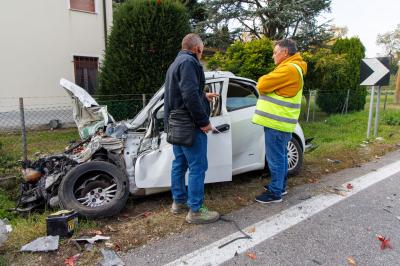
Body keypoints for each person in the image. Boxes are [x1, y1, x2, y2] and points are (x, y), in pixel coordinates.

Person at [164, 33, 220, 224]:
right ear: (197, 48)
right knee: (198, 166)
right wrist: (204, 122)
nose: (202, 54)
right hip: (190, 126)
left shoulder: (175, 64)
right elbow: (188, 95)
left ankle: (178, 202)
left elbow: (182, 93)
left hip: (177, 125)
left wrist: (204, 95)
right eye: (202, 51)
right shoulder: (190, 63)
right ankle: (195, 210)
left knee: (179, 164)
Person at [252, 39, 307, 203]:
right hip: (282, 122)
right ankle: (280, 186)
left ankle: (275, 193)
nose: (273, 56)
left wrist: (264, 81)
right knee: (281, 157)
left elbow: (262, 84)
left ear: (285, 53)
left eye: (275, 52)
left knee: (275, 158)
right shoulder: (293, 68)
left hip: (276, 123)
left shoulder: (288, 69)